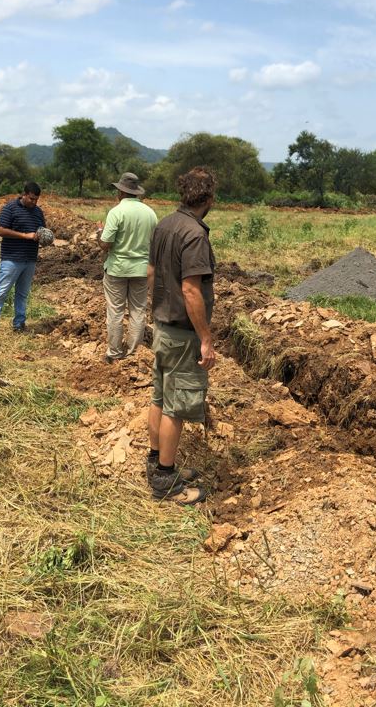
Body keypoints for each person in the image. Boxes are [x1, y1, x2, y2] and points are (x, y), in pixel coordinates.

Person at [145, 166, 218, 504]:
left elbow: (151, 272)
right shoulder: (194, 234)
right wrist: (205, 337)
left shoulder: (165, 225)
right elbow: (191, 291)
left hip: (162, 326)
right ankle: (165, 481)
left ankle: (157, 462)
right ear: (209, 197)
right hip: (182, 333)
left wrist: (155, 307)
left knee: (160, 397)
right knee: (176, 406)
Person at [98, 172, 157, 362]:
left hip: (117, 269)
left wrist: (99, 232)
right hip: (141, 270)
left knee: (115, 311)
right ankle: (134, 354)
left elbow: (105, 244)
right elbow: (154, 243)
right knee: (138, 311)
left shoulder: (116, 212)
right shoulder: (150, 213)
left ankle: (114, 353)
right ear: (136, 192)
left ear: (121, 192)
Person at [0, 181, 47, 339]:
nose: (34, 202)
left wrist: (44, 237)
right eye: (31, 199)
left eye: (36, 200)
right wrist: (25, 235)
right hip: (11, 258)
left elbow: (41, 230)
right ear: (24, 195)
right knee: (2, 292)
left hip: (29, 259)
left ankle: (19, 324)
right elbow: (0, 230)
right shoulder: (10, 208)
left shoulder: (38, 212)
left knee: (22, 294)